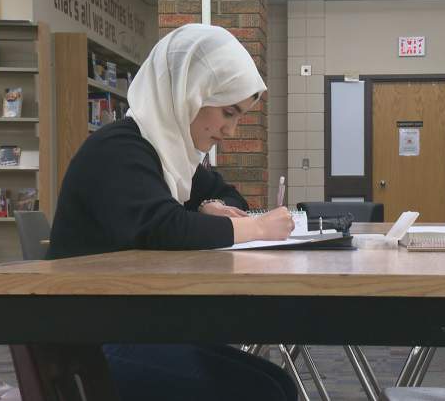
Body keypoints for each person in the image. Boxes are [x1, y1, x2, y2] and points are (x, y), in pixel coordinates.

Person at [46, 24, 298, 401]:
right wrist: (258, 229)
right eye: (228, 113)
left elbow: (228, 196)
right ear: (190, 92)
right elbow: (161, 228)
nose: (230, 130)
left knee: (279, 384)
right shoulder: (118, 150)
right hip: (88, 345)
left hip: (133, 324)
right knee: (265, 392)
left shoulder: (172, 155)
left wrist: (208, 206)